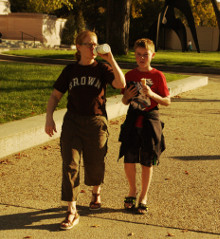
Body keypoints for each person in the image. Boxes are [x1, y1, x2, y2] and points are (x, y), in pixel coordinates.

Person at [45, 30, 126, 230]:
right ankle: (72, 210)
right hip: (72, 122)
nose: (93, 48)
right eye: (89, 44)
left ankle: (96, 191)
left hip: (96, 122)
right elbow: (56, 95)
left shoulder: (102, 68)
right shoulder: (70, 71)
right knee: (70, 165)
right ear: (78, 47)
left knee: (95, 163)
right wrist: (49, 117)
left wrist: (111, 58)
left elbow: (121, 84)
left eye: (95, 44)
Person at [118, 38, 170, 214]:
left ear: (152, 55)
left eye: (145, 55)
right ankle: (132, 190)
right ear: (135, 55)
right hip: (133, 120)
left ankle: (143, 196)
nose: (141, 58)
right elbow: (124, 101)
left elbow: (167, 101)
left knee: (147, 161)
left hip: (150, 121)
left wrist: (152, 93)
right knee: (129, 158)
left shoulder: (158, 76)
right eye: (138, 55)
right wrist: (127, 96)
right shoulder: (130, 75)